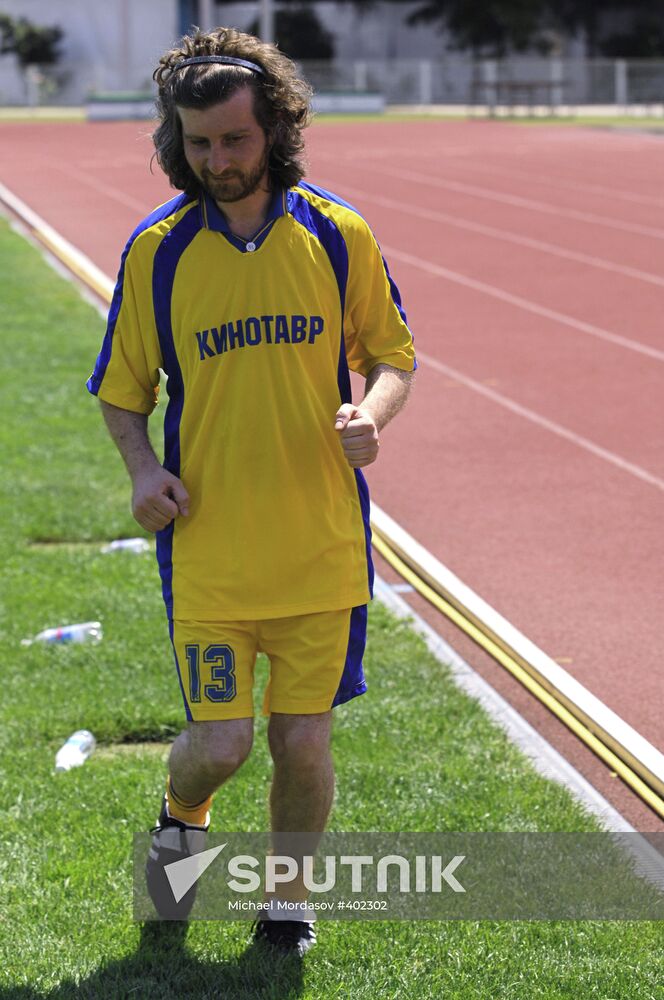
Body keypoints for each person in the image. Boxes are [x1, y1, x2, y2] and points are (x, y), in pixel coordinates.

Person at [87, 26, 416, 955]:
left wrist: (373, 417)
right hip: (211, 553)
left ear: (274, 127)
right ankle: (180, 813)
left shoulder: (337, 234)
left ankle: (286, 901)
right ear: (174, 139)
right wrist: (144, 470)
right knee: (222, 744)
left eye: (233, 140)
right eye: (196, 143)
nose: (216, 161)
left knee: (302, 742)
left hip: (319, 547)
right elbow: (120, 393)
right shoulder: (157, 252)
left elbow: (392, 356)